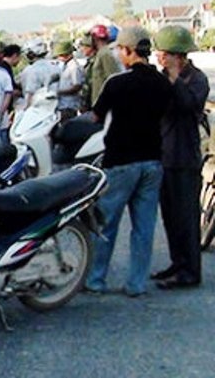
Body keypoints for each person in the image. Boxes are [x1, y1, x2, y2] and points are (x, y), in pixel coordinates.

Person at [83, 26, 171, 297]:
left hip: (120, 162)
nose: (119, 54)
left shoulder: (117, 83)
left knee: (106, 223)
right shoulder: (162, 83)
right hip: (153, 161)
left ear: (129, 51)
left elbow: (96, 116)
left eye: (121, 49)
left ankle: (96, 280)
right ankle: (136, 284)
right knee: (144, 228)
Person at [151, 25, 209, 289]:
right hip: (164, 155)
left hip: (184, 157)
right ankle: (177, 263)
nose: (161, 58)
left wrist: (175, 79)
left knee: (186, 218)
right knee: (171, 217)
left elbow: (188, 106)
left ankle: (190, 272)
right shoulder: (162, 78)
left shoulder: (196, 79)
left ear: (179, 55)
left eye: (165, 54)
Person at [17, 38, 61, 108]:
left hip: (38, 110)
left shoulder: (30, 70)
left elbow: (30, 94)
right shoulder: (56, 67)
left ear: (30, 54)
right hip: (55, 107)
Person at [86, 23, 122, 107]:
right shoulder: (101, 53)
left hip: (105, 105)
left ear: (94, 38)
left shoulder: (105, 54)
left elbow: (112, 78)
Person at [53, 40, 84, 121]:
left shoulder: (74, 67)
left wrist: (59, 92)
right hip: (62, 105)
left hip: (69, 105)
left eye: (60, 56)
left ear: (66, 55)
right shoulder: (65, 66)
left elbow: (77, 86)